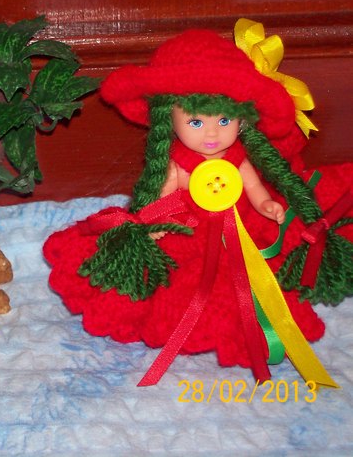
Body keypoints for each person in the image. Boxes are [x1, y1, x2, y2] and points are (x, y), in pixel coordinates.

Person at [43, 28, 352, 383]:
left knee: (259, 273)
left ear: (242, 119)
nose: (212, 133)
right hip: (187, 230)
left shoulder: (238, 157)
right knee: (182, 283)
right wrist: (151, 223)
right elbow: (161, 197)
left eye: (224, 120)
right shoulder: (176, 164)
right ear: (169, 120)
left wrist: (267, 204)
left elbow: (253, 185)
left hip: (242, 226)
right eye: (195, 122)